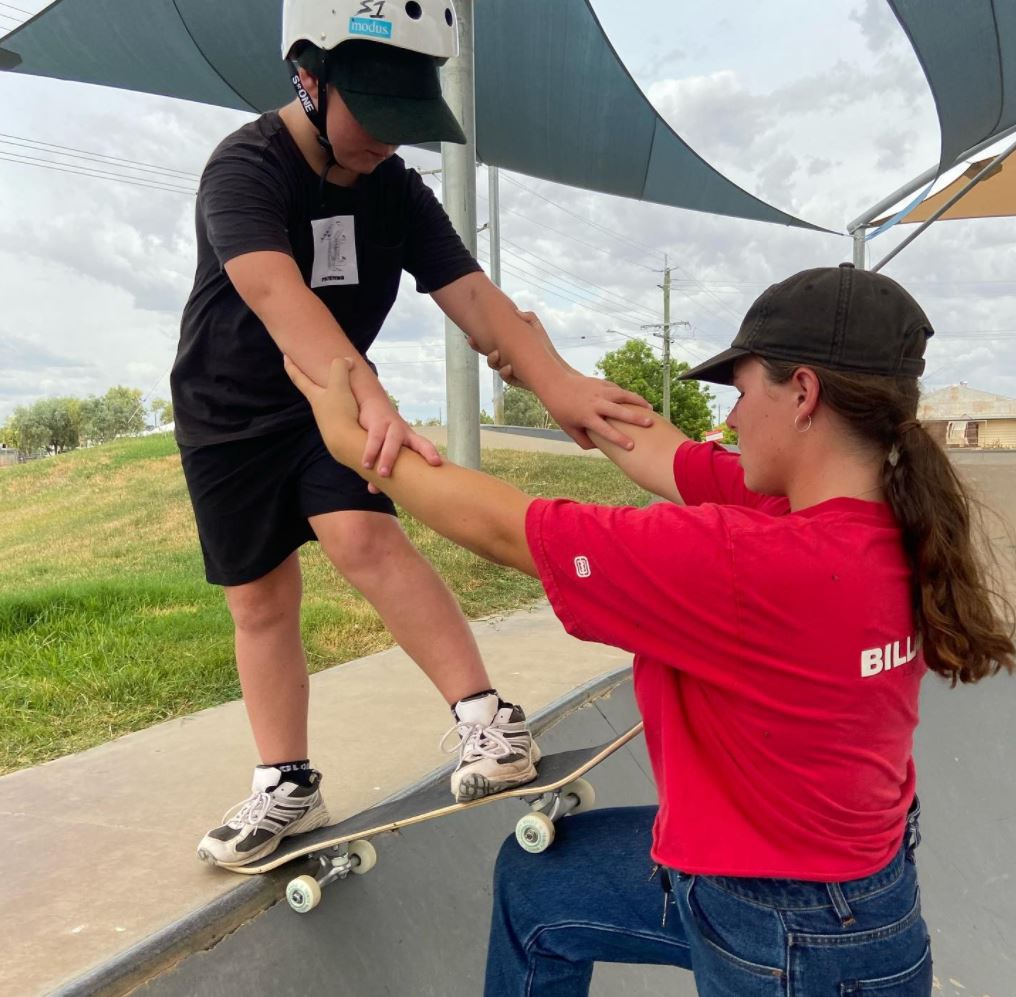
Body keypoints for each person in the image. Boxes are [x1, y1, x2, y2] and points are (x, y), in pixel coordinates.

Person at [285, 262, 1014, 996]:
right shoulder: (877, 517)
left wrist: (354, 445)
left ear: (803, 393)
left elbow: (509, 530)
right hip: (849, 901)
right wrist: (548, 372)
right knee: (540, 886)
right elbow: (660, 451)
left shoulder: (753, 560)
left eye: (741, 390)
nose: (728, 419)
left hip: (787, 940)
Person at [171, 0, 652, 868]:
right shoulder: (244, 167)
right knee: (260, 601)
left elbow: (474, 298)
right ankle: (288, 783)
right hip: (229, 415)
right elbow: (284, 301)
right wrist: (365, 388)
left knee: (365, 538)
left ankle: (488, 723)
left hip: (334, 409)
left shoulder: (395, 189)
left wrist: (561, 386)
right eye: (375, 115)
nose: (390, 140)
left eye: (408, 119)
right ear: (309, 78)